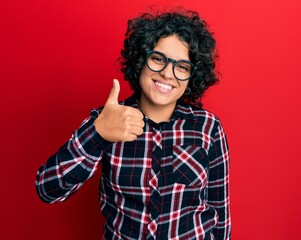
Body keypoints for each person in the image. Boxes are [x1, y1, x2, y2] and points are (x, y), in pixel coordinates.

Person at [36, 8, 231, 240]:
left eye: (182, 67)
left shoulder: (208, 128)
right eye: (158, 59)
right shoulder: (107, 120)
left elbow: (219, 210)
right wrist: (97, 134)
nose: (168, 74)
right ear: (141, 60)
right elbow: (48, 189)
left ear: (191, 77)